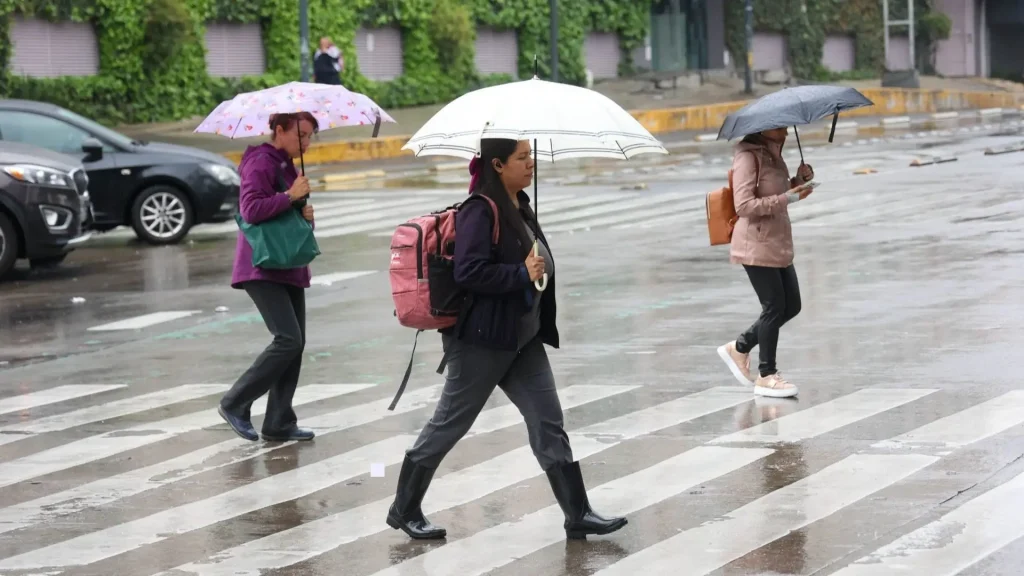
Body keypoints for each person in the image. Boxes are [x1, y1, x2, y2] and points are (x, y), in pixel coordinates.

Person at [386, 138, 627, 541]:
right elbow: (469, 272)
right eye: (522, 157)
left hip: (522, 338)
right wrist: (521, 273)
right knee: (450, 424)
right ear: (498, 164)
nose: (531, 163)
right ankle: (404, 507)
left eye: (531, 156)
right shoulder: (480, 210)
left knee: (548, 422)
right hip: (482, 341)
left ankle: (578, 513)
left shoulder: (520, 205)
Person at [217, 112, 318, 442]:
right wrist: (290, 197)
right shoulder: (261, 161)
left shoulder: (288, 166)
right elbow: (251, 210)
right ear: (279, 130)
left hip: (287, 263)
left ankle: (279, 421)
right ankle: (235, 403)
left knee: (295, 344)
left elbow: (289, 218)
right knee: (287, 339)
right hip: (262, 265)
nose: (306, 142)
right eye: (301, 134)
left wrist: (304, 212)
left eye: (310, 136)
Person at [717, 127, 814, 398]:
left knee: (791, 305)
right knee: (773, 307)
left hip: (777, 240)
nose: (785, 131)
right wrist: (788, 197)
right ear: (763, 128)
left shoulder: (773, 155)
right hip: (755, 242)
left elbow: (775, 192)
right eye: (779, 126)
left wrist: (798, 182)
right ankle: (766, 375)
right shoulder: (748, 156)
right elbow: (744, 206)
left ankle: (740, 347)